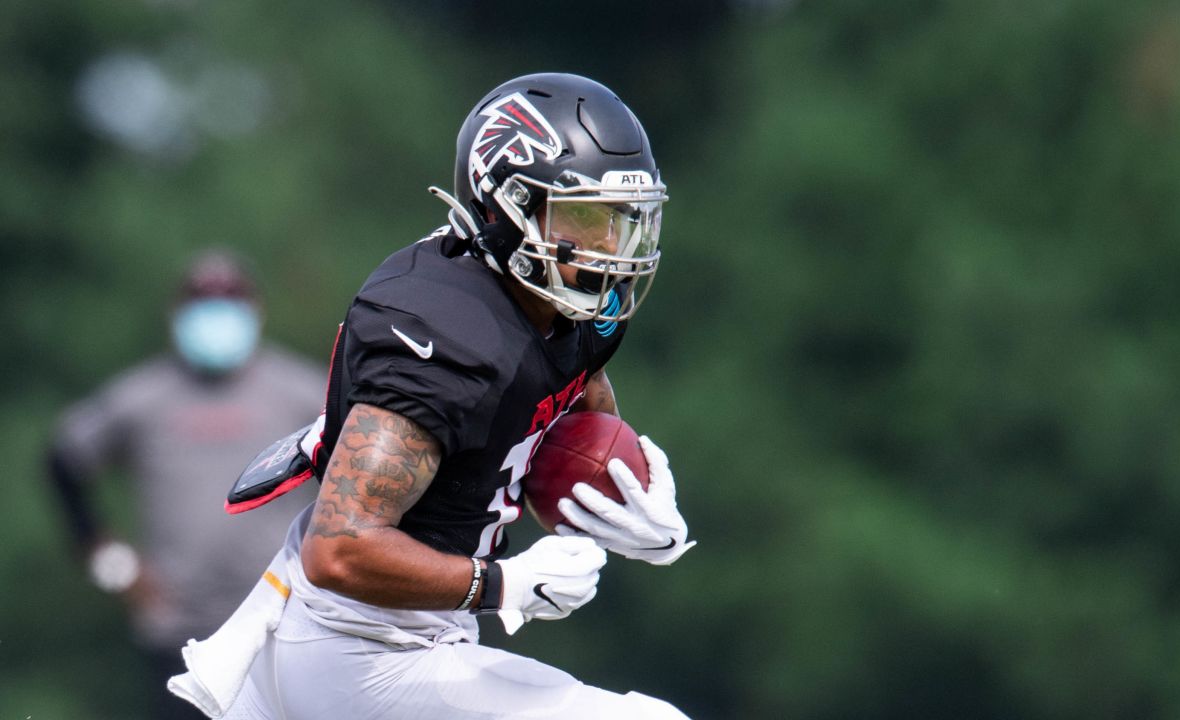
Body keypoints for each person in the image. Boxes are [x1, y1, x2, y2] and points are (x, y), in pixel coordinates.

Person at [192, 72, 696, 719]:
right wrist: (505, 584)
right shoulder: (448, 334)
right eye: (585, 219)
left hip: (425, 640)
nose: (608, 247)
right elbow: (340, 548)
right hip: (356, 650)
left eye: (621, 221)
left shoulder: (565, 307)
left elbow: (567, 404)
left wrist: (630, 504)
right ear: (506, 207)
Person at [47, 250, 328, 719]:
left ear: (255, 309)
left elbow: (369, 464)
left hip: (280, 628)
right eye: (202, 301)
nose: (216, 315)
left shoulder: (301, 392)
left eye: (229, 300)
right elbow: (64, 459)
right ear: (177, 314)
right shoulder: (141, 399)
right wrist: (112, 564)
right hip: (178, 636)